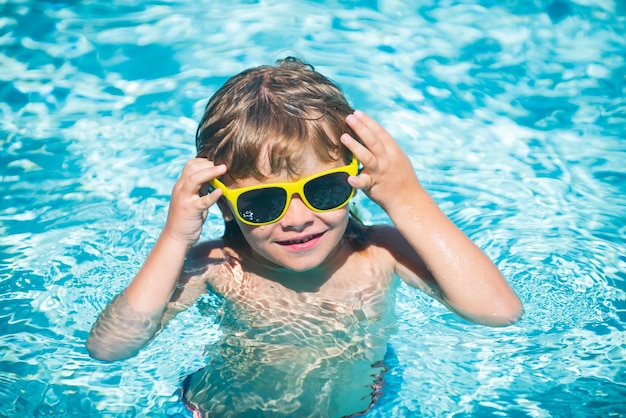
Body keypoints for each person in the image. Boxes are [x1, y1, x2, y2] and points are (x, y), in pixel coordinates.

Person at [86, 57, 523, 417]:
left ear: (356, 179)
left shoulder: (379, 252)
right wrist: (174, 238)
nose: (297, 219)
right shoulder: (219, 266)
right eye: (262, 202)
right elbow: (110, 348)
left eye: (323, 189)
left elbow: (498, 313)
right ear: (223, 204)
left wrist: (407, 199)